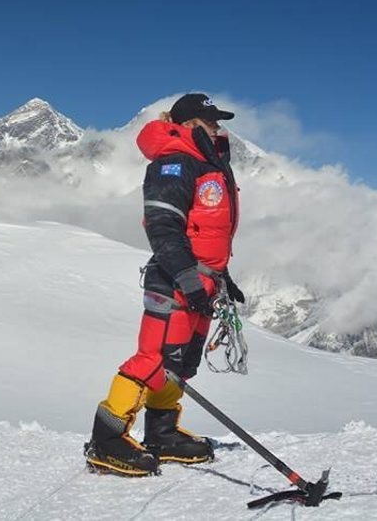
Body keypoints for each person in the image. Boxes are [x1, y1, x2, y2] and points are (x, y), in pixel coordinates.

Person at [84, 92, 246, 476]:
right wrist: (189, 278)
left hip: (201, 284)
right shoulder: (175, 162)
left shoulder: (207, 164)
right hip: (175, 280)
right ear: (191, 124)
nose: (219, 128)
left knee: (179, 365)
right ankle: (105, 440)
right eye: (212, 121)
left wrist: (219, 277)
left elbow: (205, 231)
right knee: (152, 359)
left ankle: (162, 433)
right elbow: (163, 227)